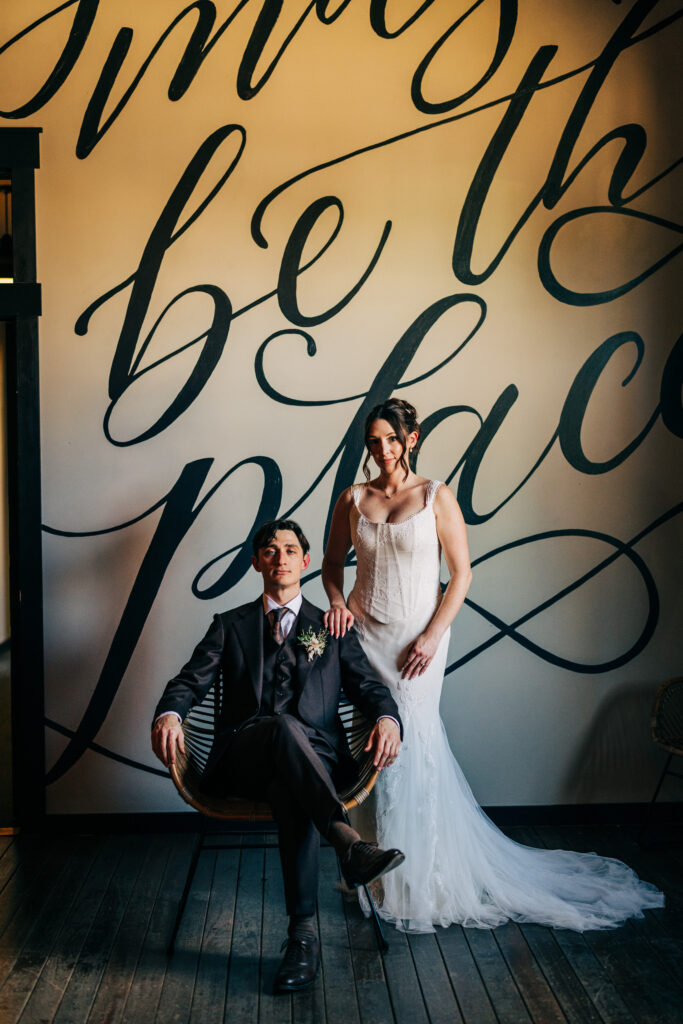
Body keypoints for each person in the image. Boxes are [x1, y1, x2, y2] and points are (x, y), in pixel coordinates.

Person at [322, 398, 664, 932]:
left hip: (419, 641)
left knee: (410, 745)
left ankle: (421, 880)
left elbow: (461, 576)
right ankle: (374, 873)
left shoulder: (436, 496)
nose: (382, 449)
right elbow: (329, 566)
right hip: (364, 640)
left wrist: (434, 635)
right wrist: (338, 603)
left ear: (411, 439)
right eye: (373, 441)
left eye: (391, 438)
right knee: (370, 745)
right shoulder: (352, 497)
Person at [152, 518, 404, 990]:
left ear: (305, 562)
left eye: (290, 550)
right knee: (283, 730)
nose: (280, 557)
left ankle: (302, 938)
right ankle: (346, 844)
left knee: (290, 784)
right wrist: (170, 713)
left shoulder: (331, 627)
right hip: (242, 761)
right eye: (270, 550)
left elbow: (371, 689)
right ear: (256, 562)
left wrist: (388, 720)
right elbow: (189, 681)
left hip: (316, 764)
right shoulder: (229, 626)